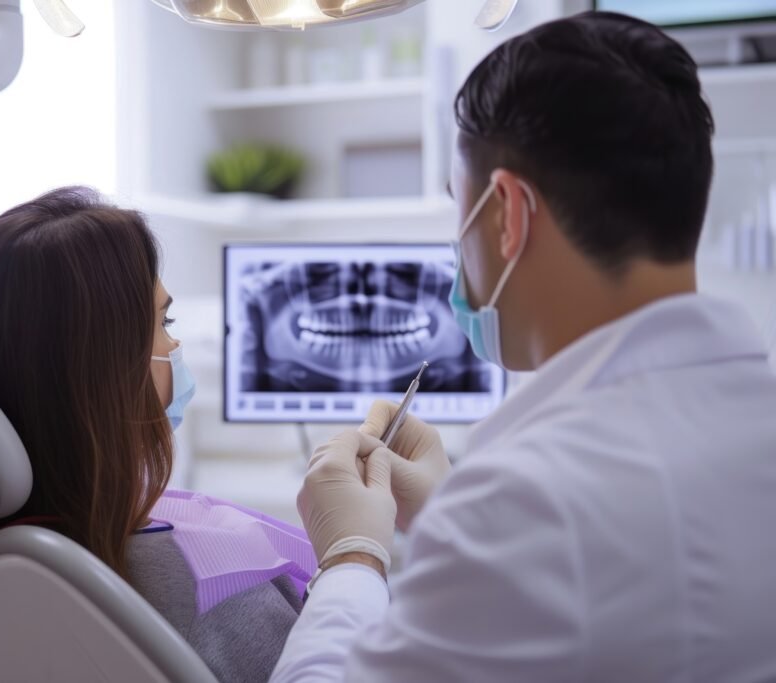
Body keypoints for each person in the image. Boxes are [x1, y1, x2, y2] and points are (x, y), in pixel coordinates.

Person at [272, 11, 776, 682]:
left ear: (507, 213)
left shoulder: (527, 506)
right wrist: (449, 511)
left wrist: (353, 556)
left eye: (461, 206)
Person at [0, 186, 309, 683]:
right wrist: (358, 553)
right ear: (103, 371)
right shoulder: (205, 585)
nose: (175, 344)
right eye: (163, 322)